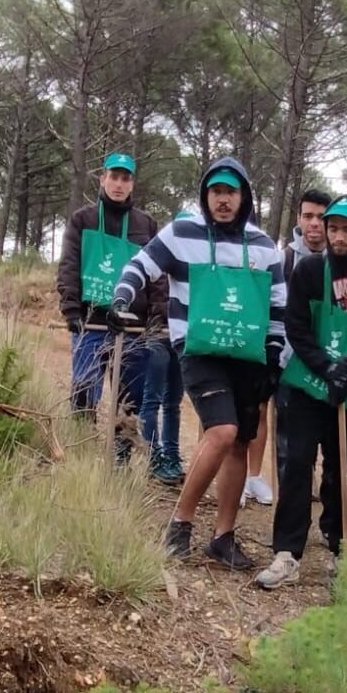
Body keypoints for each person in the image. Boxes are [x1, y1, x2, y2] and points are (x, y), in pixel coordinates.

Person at [111, 158, 286, 569]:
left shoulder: (262, 245)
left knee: (241, 440)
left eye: (231, 192)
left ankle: (223, 536)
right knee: (222, 432)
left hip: (248, 356)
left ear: (244, 198)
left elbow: (279, 304)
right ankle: (180, 523)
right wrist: (121, 299)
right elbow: (140, 266)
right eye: (215, 192)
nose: (223, 200)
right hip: (199, 350)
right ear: (205, 195)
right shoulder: (181, 233)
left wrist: (275, 356)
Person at [259, 196, 347, 587]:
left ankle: (343, 547)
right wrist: (326, 367)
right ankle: (287, 553)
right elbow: (296, 325)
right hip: (307, 383)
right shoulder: (307, 269)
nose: (338, 236)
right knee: (297, 464)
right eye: (332, 228)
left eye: (346, 229)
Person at [55, 151, 165, 463]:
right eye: (113, 177)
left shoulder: (146, 224)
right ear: (103, 179)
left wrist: (157, 315)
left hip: (133, 326)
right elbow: (69, 266)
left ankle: (120, 456)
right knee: (84, 390)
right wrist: (71, 309)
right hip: (91, 322)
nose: (118, 183)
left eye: (125, 178)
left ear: (132, 183)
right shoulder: (82, 220)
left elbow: (157, 275)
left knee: (131, 396)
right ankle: (81, 454)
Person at [243, 188, 330, 504]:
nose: (315, 224)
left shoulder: (341, 261)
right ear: (298, 219)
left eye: (321, 217)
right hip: (286, 359)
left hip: (326, 361)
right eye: (308, 216)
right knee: (285, 434)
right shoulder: (284, 258)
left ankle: (312, 487)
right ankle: (286, 499)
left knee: (323, 430)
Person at [139, 209, 194, 485]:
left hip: (181, 341)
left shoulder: (196, 266)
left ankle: (171, 455)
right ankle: (154, 456)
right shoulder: (157, 259)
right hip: (157, 336)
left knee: (173, 402)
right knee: (153, 399)